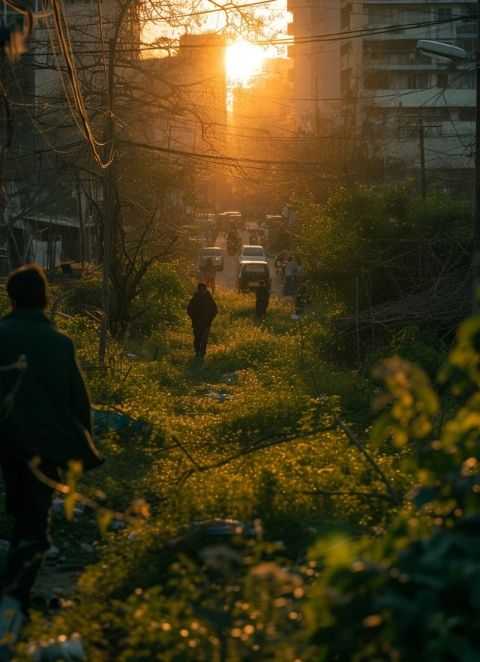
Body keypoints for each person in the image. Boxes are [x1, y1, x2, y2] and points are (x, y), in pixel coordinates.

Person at [0, 264, 103, 616]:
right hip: (40, 448)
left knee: (19, 512)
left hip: (4, 438)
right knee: (33, 521)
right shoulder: (59, 343)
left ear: (11, 299)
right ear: (45, 299)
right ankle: (14, 596)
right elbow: (79, 402)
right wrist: (84, 446)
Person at [187, 282, 218, 358]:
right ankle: (197, 352)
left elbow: (214, 310)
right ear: (198, 290)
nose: (202, 292)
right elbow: (189, 310)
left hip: (206, 323)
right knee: (197, 338)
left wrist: (209, 320)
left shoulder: (208, 298)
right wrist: (194, 318)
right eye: (201, 290)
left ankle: (202, 353)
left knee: (204, 339)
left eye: (204, 290)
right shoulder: (195, 298)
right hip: (196, 323)